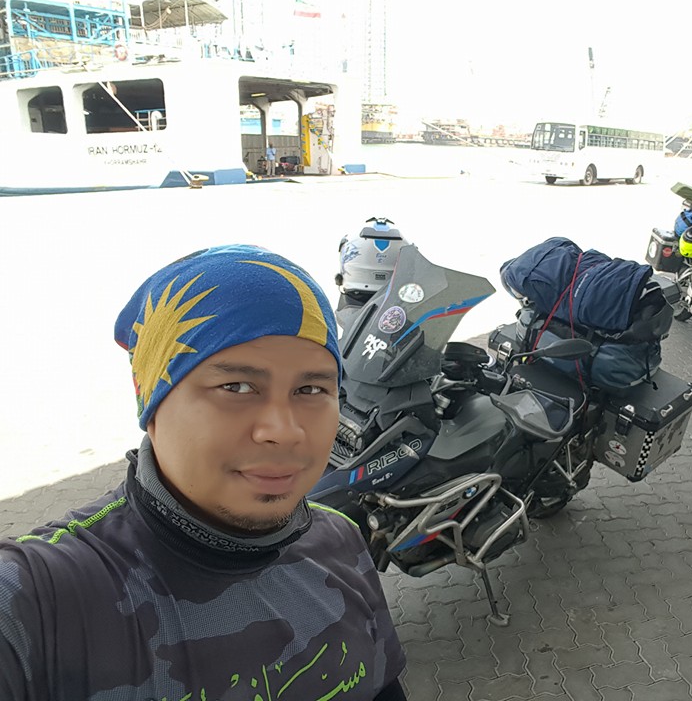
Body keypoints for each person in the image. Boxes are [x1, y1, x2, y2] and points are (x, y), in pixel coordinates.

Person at [0, 245, 408, 700]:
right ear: (152, 406)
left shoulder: (340, 541)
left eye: (311, 389)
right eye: (236, 386)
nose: (284, 431)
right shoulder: (38, 601)